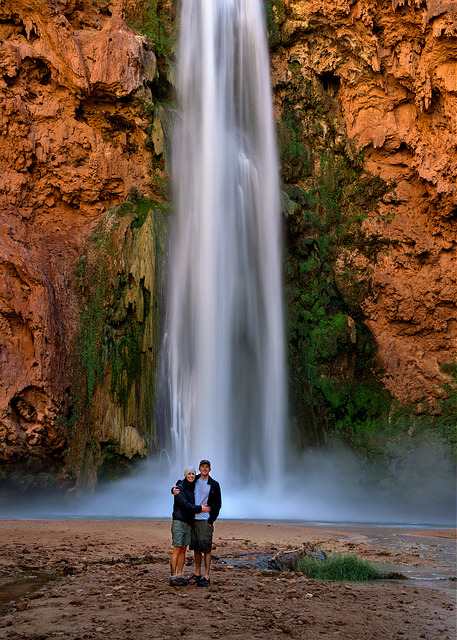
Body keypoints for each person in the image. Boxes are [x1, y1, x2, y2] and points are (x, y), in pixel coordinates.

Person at [173, 459, 222, 587]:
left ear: (210, 469)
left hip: (205, 520)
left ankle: (206, 575)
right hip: (193, 519)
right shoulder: (194, 480)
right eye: (202, 467)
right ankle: (197, 573)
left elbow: (218, 504)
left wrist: (211, 520)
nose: (205, 469)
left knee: (206, 548)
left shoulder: (214, 484)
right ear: (199, 469)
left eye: (207, 467)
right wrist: (173, 489)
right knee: (195, 548)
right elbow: (182, 483)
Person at [170, 465, 210, 587]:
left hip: (188, 522)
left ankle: (179, 575)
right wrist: (200, 509)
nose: (191, 476)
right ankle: (172, 577)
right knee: (177, 548)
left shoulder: (193, 485)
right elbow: (185, 504)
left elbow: (203, 478)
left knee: (183, 549)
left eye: (193, 474)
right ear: (185, 475)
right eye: (189, 474)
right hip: (179, 521)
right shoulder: (180, 487)